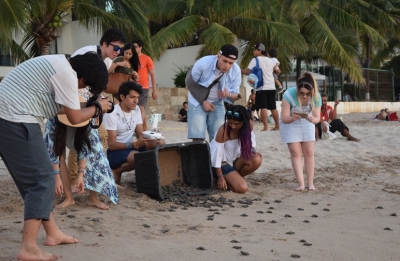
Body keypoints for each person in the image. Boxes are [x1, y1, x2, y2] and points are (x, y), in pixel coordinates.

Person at [0, 52, 111, 261]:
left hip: (7, 117)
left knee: (32, 183)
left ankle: (52, 233)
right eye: (86, 88)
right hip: (16, 119)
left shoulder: (60, 64)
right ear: (83, 80)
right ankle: (29, 248)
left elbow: (67, 109)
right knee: (42, 181)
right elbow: (75, 116)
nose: (83, 91)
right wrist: (98, 107)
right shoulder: (67, 74)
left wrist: (93, 106)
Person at [68, 28, 127, 187]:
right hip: (75, 101)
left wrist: (101, 102)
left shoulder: (107, 61)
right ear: (104, 44)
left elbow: (98, 84)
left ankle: (95, 179)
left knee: (100, 138)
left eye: (121, 49)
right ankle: (75, 180)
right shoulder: (87, 53)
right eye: (115, 47)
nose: (118, 52)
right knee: (78, 139)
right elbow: (72, 79)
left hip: (90, 102)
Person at [43, 104, 118, 210]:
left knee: (95, 157)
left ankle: (93, 199)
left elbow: (86, 150)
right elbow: (54, 153)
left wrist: (80, 175)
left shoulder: (88, 118)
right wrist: (56, 177)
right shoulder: (53, 120)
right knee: (61, 159)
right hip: (60, 131)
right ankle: (69, 198)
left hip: (80, 135)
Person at [103, 81, 165, 185]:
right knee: (138, 157)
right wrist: (134, 144)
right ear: (122, 97)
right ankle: (116, 171)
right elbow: (112, 145)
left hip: (130, 147)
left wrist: (152, 135)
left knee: (160, 142)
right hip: (114, 153)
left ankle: (149, 178)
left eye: (137, 97)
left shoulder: (136, 110)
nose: (136, 101)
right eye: (132, 97)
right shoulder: (112, 113)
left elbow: (141, 134)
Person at [186, 44, 241, 141]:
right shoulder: (203, 63)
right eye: (225, 61)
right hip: (197, 100)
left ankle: (214, 156)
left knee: (219, 136)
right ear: (218, 56)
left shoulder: (236, 70)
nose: (227, 66)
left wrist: (228, 94)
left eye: (231, 63)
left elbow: (236, 95)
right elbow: (190, 84)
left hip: (217, 102)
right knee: (197, 137)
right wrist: (203, 102)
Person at [279, 72, 321, 191]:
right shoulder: (288, 95)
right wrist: (292, 118)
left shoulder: (316, 96)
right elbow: (285, 117)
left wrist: (314, 120)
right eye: (301, 93)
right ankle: (301, 184)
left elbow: (318, 117)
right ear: (297, 89)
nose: (304, 96)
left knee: (309, 152)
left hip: (307, 122)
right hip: (290, 123)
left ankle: (310, 183)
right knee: (296, 153)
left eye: (308, 94)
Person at [210, 105, 262, 193]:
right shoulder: (223, 130)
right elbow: (216, 157)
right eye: (230, 123)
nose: (233, 126)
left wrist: (253, 151)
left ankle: (233, 179)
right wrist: (220, 176)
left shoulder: (248, 125)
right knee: (242, 188)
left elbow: (250, 142)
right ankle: (221, 180)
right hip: (221, 164)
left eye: (236, 124)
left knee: (256, 159)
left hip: (234, 159)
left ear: (244, 121)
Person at [242, 43, 281, 131]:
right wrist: (272, 75)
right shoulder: (271, 60)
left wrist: (240, 70)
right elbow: (278, 71)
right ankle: (277, 126)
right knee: (273, 107)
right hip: (271, 86)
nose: (253, 51)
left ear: (259, 51)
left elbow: (248, 72)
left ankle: (266, 127)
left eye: (255, 50)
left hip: (261, 87)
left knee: (263, 107)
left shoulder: (255, 60)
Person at [132, 39, 158, 131]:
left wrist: (154, 90)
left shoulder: (147, 59)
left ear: (140, 47)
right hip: (132, 86)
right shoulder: (130, 58)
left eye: (135, 46)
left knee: (140, 108)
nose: (133, 48)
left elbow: (153, 75)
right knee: (135, 108)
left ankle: (141, 130)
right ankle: (144, 129)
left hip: (143, 87)